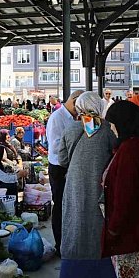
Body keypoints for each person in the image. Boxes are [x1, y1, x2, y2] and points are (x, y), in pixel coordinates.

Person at [57, 91, 116, 278]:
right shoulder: (109, 130)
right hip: (101, 188)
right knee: (99, 224)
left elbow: (62, 159)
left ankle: (74, 268)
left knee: (74, 222)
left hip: (75, 184)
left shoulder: (70, 129)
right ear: (99, 106)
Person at [103, 101, 139, 278]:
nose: (112, 130)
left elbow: (124, 196)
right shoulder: (135, 145)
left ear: (123, 123)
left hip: (133, 234)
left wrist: (112, 230)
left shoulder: (130, 150)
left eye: (113, 125)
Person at [46, 90, 83, 255]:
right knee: (60, 205)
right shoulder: (57, 118)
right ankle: (60, 244)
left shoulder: (74, 118)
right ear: (74, 101)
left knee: (71, 206)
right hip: (58, 168)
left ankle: (70, 242)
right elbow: (55, 146)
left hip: (71, 166)